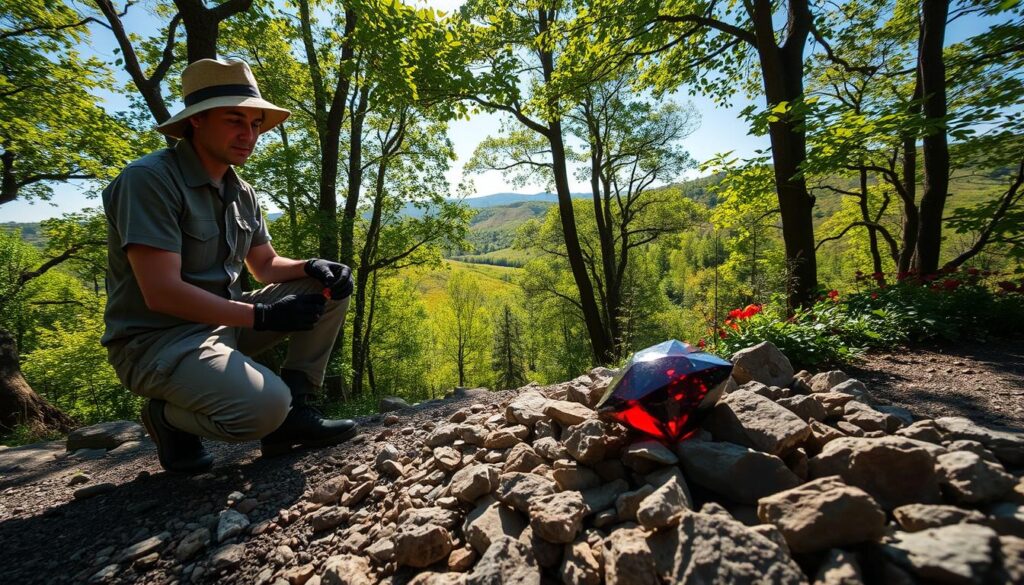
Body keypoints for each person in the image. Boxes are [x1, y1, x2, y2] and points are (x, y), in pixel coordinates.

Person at [100, 58, 358, 474]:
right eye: (234, 120)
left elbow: (266, 266)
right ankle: (166, 419)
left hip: (224, 326)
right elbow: (160, 292)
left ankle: (294, 415)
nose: (248, 134)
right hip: (156, 343)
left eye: (256, 124)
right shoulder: (148, 180)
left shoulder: (242, 192)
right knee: (263, 406)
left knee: (325, 289)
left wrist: (313, 265)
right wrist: (262, 315)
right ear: (197, 121)